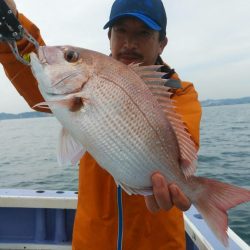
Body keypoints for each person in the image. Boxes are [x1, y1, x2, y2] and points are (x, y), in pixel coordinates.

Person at [0, 0, 201, 249]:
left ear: (162, 42)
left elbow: (184, 145)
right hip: (92, 241)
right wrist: (12, 27)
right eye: (121, 31)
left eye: (144, 33)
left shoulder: (180, 94)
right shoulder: (90, 77)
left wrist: (181, 179)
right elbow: (40, 71)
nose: (129, 43)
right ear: (109, 35)